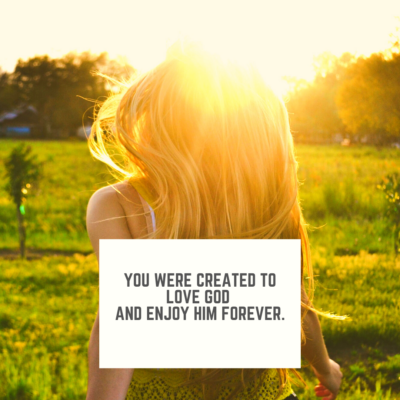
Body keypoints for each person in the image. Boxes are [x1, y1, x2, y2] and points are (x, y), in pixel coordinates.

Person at [85, 40, 343, 400]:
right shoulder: (258, 200)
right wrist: (326, 369)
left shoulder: (118, 204)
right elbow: (293, 302)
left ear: (153, 119)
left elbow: (120, 321)